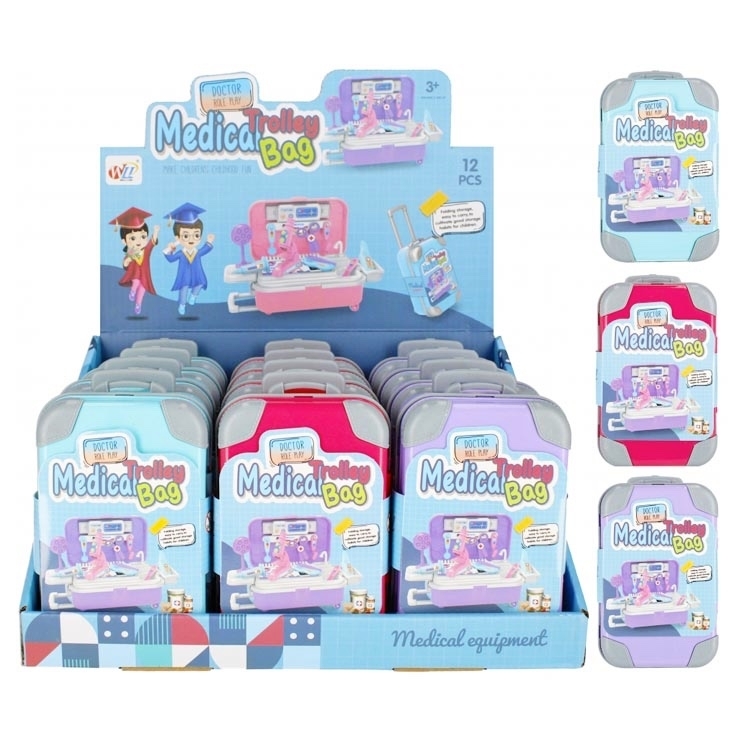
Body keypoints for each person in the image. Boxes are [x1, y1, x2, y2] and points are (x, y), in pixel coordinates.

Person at [163, 202, 214, 316]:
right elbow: (170, 259)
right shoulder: (181, 253)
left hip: (197, 273)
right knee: (184, 288)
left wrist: (209, 242)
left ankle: (194, 296)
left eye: (196, 235)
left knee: (200, 283)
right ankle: (182, 304)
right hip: (184, 275)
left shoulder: (197, 252)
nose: (191, 239)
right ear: (178, 237)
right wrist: (171, 247)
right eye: (186, 236)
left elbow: (205, 250)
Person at [110, 207, 159, 316]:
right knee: (136, 281)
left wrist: (155, 232)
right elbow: (125, 265)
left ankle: (138, 304)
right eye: (132, 238)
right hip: (135, 274)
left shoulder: (146, 251)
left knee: (142, 289)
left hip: (144, 275)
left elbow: (152, 243)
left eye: (143, 236)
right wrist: (128, 260)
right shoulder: (130, 253)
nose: (139, 241)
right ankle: (132, 291)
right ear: (124, 241)